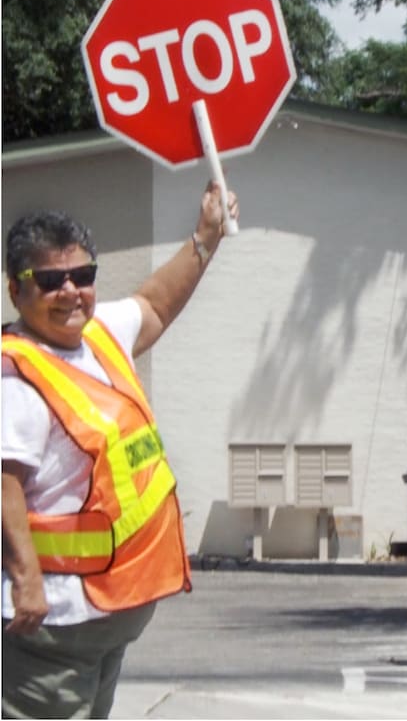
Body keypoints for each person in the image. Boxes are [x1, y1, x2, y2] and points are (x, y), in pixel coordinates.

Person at [1, 181, 236, 718]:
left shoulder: (99, 331)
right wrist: (26, 581)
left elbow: (154, 304)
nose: (70, 292)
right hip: (52, 624)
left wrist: (207, 236)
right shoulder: (14, 373)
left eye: (82, 276)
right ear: (17, 290)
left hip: (108, 615)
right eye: (50, 280)